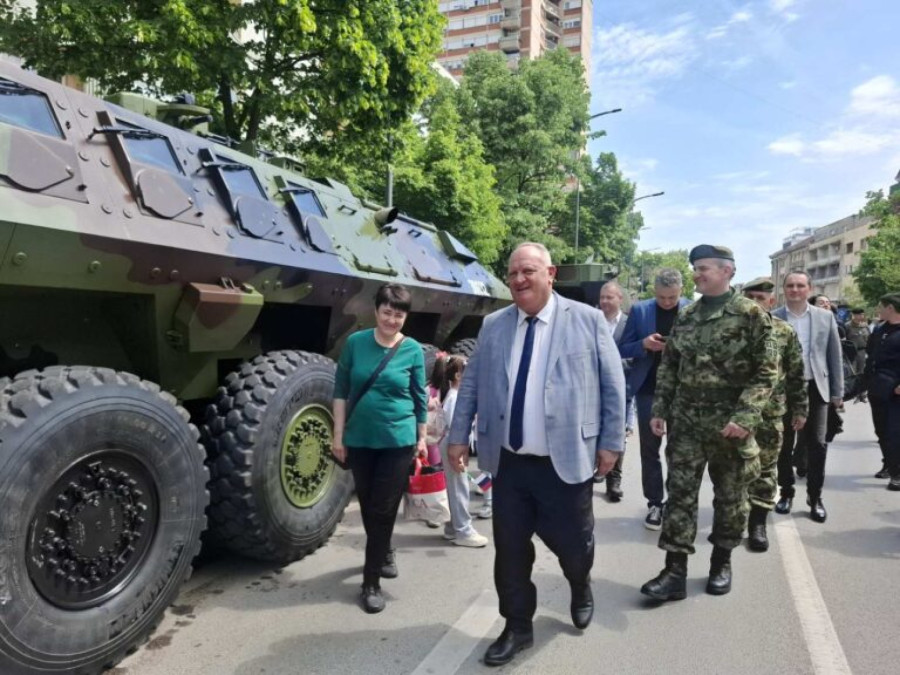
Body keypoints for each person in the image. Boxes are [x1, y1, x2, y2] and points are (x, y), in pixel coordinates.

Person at [446, 242, 625, 666]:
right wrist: (457, 436)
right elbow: (470, 386)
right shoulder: (494, 325)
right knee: (509, 550)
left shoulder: (587, 319)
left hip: (566, 462)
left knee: (574, 546)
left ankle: (579, 584)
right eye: (512, 274)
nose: (519, 280)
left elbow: (612, 384)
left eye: (528, 271)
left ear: (551, 273)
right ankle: (517, 627)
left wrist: (611, 443)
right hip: (509, 463)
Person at [640, 245, 776, 601]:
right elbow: (670, 366)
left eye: (703, 268)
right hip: (686, 424)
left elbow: (767, 371)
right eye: (695, 268)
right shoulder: (686, 316)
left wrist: (746, 417)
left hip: (730, 427)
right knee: (680, 497)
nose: (696, 274)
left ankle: (721, 563)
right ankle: (674, 572)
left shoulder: (750, 315)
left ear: (727, 271)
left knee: (730, 499)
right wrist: (660, 410)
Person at [332, 283, 428, 614]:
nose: (391, 320)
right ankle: (384, 548)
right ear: (376, 311)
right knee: (371, 505)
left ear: (406, 317)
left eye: (398, 314)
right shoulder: (356, 344)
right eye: (386, 312)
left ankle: (370, 582)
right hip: (360, 439)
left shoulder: (413, 349)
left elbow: (419, 395)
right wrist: (338, 434)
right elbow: (341, 389)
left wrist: (421, 435)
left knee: (382, 510)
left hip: (398, 441)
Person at [618, 268, 691, 528]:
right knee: (650, 450)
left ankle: (676, 502)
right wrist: (643, 345)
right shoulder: (640, 311)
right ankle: (654, 504)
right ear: (654, 292)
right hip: (649, 389)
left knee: (679, 452)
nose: (667, 303)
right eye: (662, 298)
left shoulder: (693, 310)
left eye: (672, 298)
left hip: (683, 393)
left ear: (681, 290)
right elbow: (621, 348)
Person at [741, 278, 808, 551]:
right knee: (735, 469)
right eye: (751, 297)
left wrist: (801, 408)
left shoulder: (784, 331)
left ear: (771, 302)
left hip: (770, 414)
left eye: (762, 297)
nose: (756, 302)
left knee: (767, 469)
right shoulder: (730, 331)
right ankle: (733, 517)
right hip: (735, 415)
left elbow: (795, 374)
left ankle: (757, 523)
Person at [773, 271, 843, 523]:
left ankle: (815, 497)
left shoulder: (825, 317)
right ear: (784, 289)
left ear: (809, 288)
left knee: (817, 444)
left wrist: (837, 393)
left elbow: (833, 355)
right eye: (790, 285)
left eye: (800, 285)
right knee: (783, 444)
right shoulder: (773, 318)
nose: (795, 290)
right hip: (783, 391)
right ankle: (786, 492)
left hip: (816, 387)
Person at [437, 355, 489, 547]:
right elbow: (454, 425)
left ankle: (453, 527)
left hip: (451, 443)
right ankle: (463, 530)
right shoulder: (455, 397)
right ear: (458, 375)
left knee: (456, 486)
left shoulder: (451, 395)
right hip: (453, 443)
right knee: (459, 488)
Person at [596, 279, 634, 501]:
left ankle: (614, 482)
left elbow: (635, 357)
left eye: (609, 297)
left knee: (616, 435)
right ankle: (597, 470)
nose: (605, 302)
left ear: (620, 299)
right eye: (602, 297)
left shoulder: (630, 325)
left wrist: (610, 365)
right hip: (592, 391)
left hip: (621, 391)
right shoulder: (591, 321)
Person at [864, 293, 900, 489]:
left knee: (895, 432)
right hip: (878, 388)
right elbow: (871, 357)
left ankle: (897, 473)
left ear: (891, 308)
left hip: (897, 390)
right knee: (882, 431)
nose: (878, 310)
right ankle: (889, 463)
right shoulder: (879, 330)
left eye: (881, 306)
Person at [845, 309, 871, 401]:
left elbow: (869, 338)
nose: (861, 317)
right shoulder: (847, 326)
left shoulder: (865, 326)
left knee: (862, 372)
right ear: (854, 315)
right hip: (851, 352)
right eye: (859, 315)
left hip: (862, 352)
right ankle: (852, 393)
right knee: (852, 373)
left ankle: (862, 394)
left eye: (862, 315)